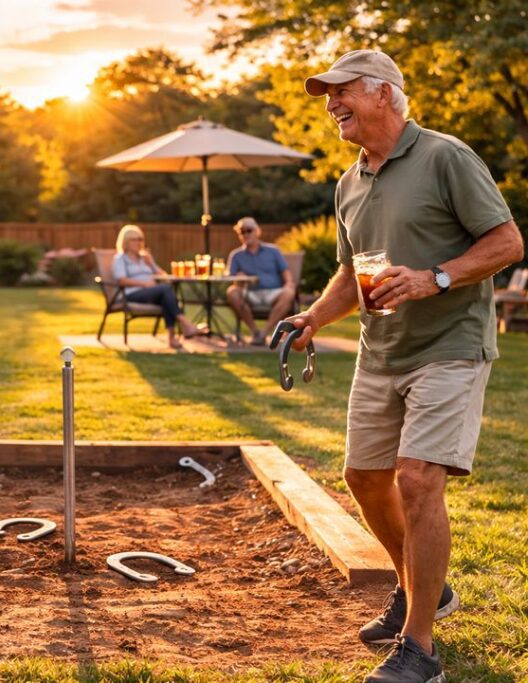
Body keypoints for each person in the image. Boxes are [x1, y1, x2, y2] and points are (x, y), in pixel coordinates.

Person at [292, 50, 523, 683]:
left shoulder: (445, 157)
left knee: (419, 479)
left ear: (384, 93)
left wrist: (435, 278)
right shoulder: (349, 182)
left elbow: (507, 242)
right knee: (365, 477)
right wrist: (312, 319)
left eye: (342, 92)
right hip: (381, 350)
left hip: (450, 343)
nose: (332, 104)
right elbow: (349, 275)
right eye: (328, 95)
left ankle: (420, 649)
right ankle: (421, 590)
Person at [111, 224, 203, 350]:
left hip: (152, 293)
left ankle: (172, 338)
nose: (138, 242)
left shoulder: (145, 258)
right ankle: (186, 325)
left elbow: (163, 276)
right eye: (134, 239)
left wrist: (151, 263)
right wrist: (144, 284)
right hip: (132, 294)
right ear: (126, 242)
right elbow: (121, 280)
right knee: (165, 290)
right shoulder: (120, 259)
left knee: (166, 297)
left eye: (140, 239)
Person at [225, 217, 297, 346]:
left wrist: (289, 284)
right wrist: (238, 277)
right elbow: (230, 278)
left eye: (249, 230)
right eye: (242, 232)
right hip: (250, 294)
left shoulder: (273, 251)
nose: (246, 234)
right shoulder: (236, 255)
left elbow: (285, 271)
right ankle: (255, 331)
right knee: (231, 292)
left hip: (273, 292)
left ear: (258, 231)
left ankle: (264, 332)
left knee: (289, 292)